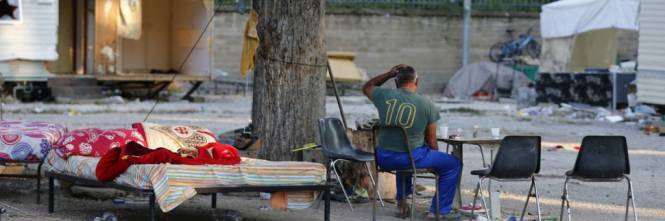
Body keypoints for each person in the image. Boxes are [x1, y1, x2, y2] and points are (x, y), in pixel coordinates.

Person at [363, 64, 461, 219]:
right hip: (410, 158)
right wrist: (434, 162)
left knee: (406, 154)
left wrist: (388, 74)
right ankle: (438, 211)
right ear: (417, 81)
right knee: (453, 164)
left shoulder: (383, 96)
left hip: (383, 158)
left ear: (396, 82)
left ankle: (402, 205)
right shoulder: (427, 104)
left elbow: (367, 86)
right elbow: (432, 141)